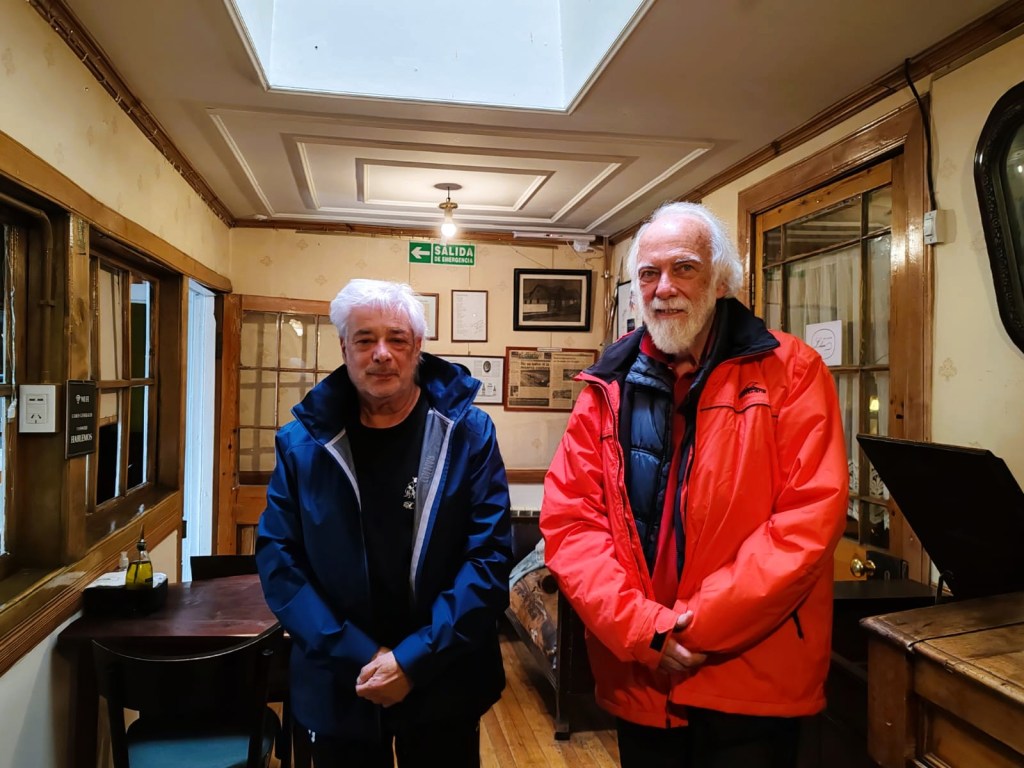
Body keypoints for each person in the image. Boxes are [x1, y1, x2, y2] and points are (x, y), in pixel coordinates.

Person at [540, 202, 849, 768]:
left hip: (750, 676)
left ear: (721, 280)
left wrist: (690, 630)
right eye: (649, 274)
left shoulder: (793, 371)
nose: (664, 289)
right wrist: (645, 631)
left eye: (683, 268)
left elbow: (807, 522)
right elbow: (571, 524)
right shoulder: (605, 388)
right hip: (640, 675)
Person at [256, 278, 512, 768]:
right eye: (364, 339)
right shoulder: (301, 443)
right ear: (344, 348)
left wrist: (413, 660)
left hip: (445, 675)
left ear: (417, 347)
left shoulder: (468, 433)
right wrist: (361, 655)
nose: (381, 354)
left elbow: (489, 558)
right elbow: (279, 564)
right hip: (341, 680)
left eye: (396, 338)